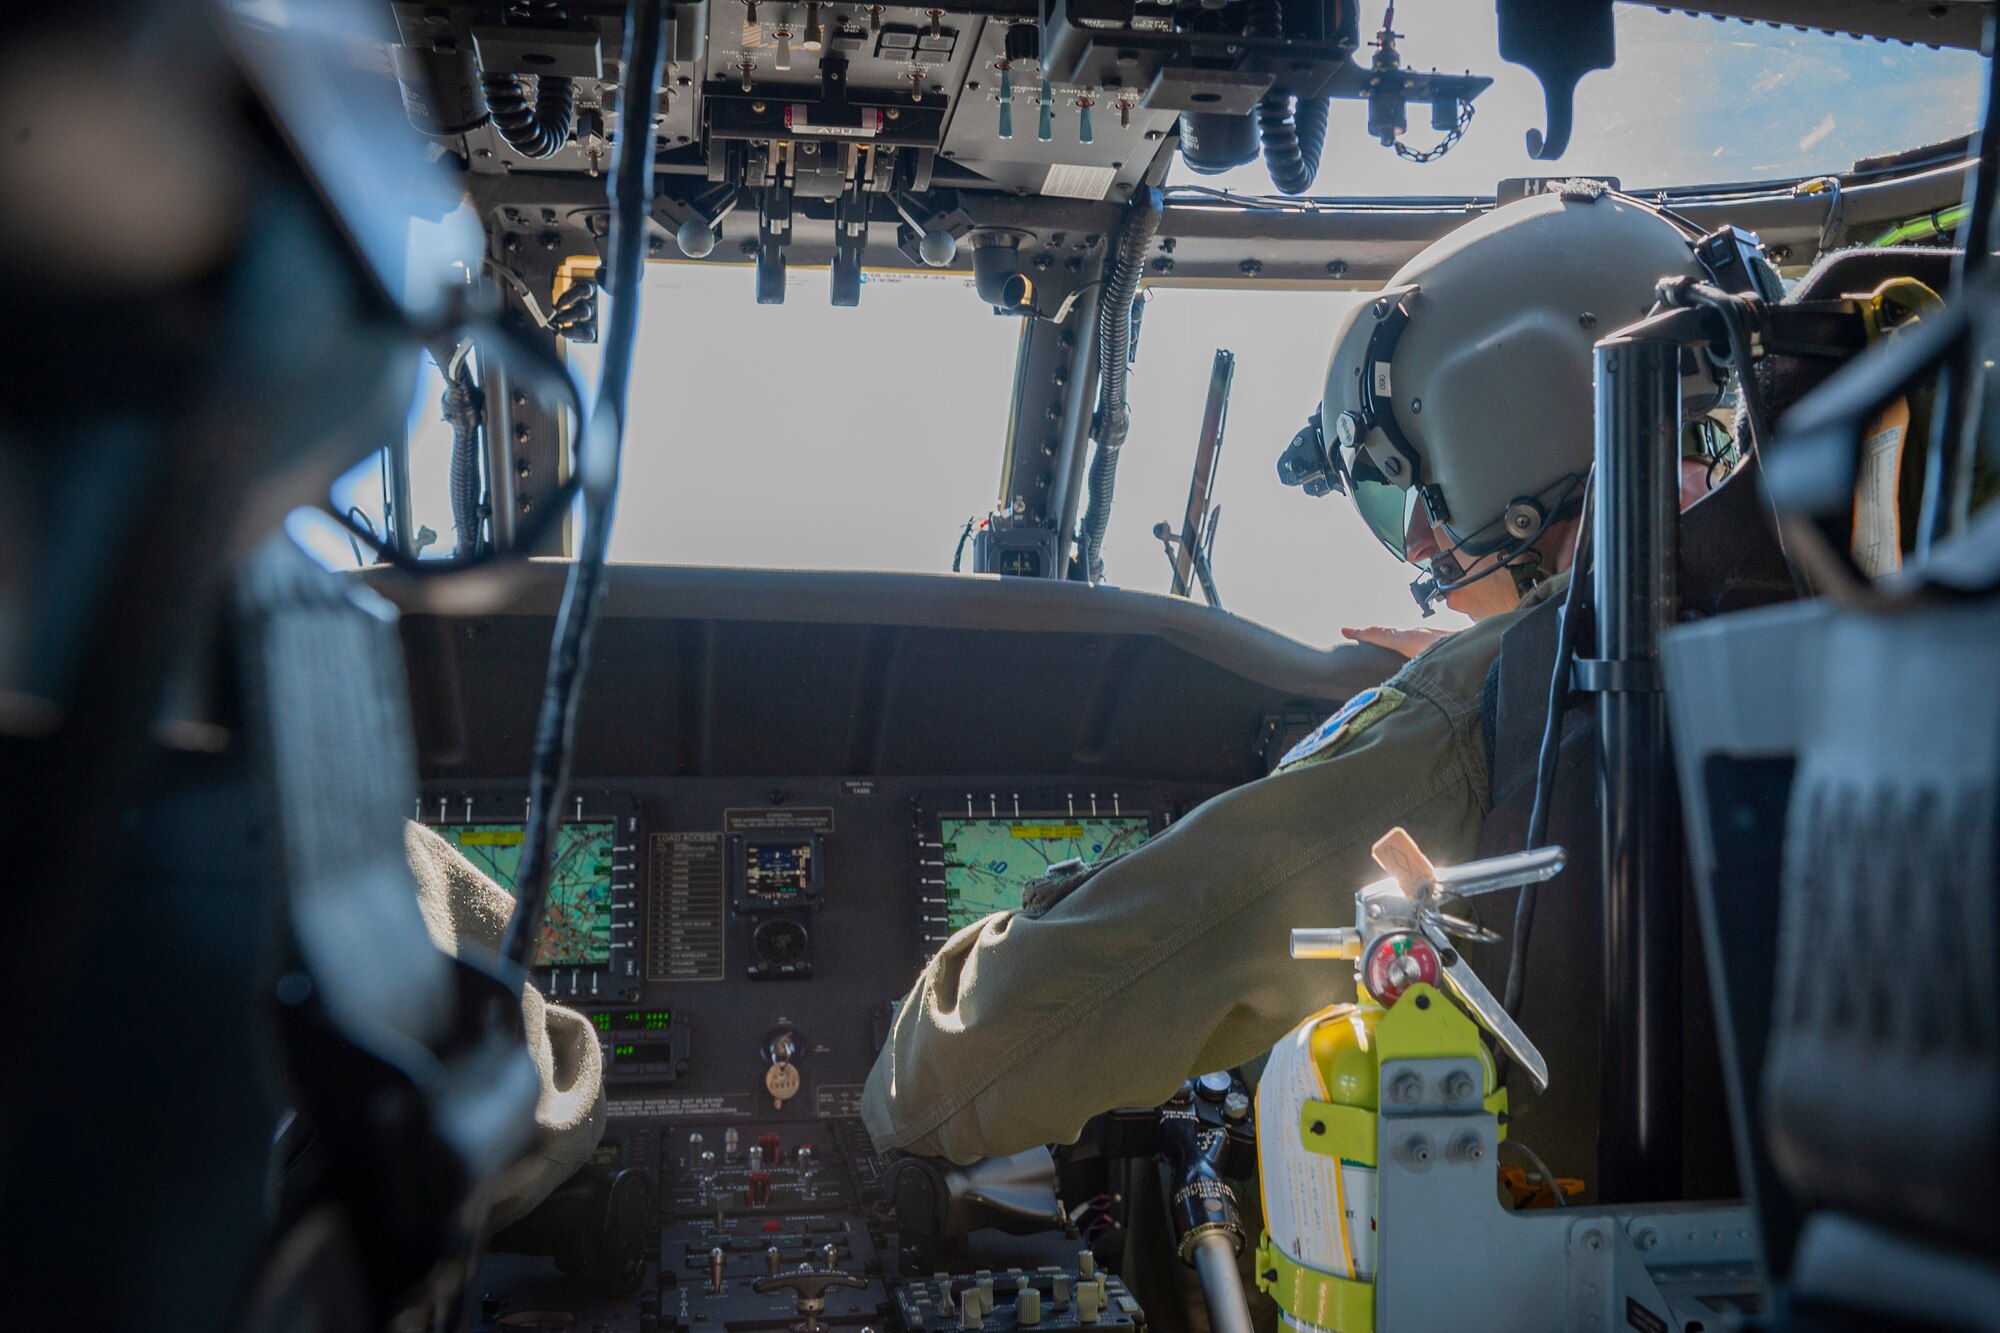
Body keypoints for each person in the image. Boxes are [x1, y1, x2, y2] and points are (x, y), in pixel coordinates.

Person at [861, 185, 1707, 1163]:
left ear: (1503, 412)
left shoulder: (1492, 712)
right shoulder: (1828, 594)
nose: (1420, 541)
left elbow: (972, 1069)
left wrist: (898, 1069)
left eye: (1416, 481)